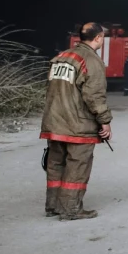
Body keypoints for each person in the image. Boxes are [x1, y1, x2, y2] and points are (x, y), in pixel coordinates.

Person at [41, 22, 113, 220]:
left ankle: (54, 206)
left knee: (56, 164)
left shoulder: (61, 56)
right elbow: (94, 95)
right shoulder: (92, 61)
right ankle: (71, 209)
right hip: (78, 125)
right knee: (77, 165)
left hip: (55, 122)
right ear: (98, 37)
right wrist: (104, 121)